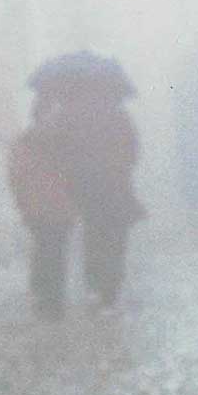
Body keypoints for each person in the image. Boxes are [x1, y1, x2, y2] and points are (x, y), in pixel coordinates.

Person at [54, 85, 144, 309]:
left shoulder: (74, 117)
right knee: (116, 239)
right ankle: (110, 291)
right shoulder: (120, 118)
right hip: (116, 188)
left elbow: (63, 151)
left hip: (87, 188)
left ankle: (93, 284)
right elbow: (133, 152)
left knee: (93, 234)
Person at [7, 96, 77, 319]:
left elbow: (16, 175)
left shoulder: (28, 141)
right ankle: (50, 300)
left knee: (49, 250)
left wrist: (23, 202)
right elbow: (17, 175)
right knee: (52, 251)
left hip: (51, 207)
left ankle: (47, 297)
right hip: (48, 207)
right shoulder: (62, 142)